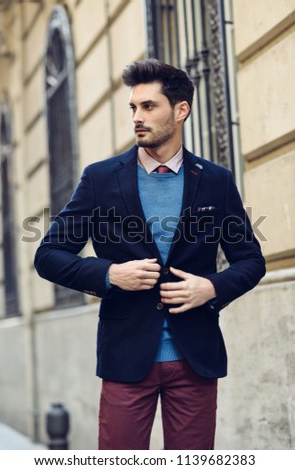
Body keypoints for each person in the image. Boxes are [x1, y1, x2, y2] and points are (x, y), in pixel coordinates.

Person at [34, 59, 265, 450]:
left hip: (194, 357)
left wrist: (211, 288)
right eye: (133, 107)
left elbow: (251, 261)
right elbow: (49, 254)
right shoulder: (100, 179)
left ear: (181, 110)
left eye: (149, 106)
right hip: (126, 356)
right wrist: (109, 275)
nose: (137, 117)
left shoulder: (215, 181)